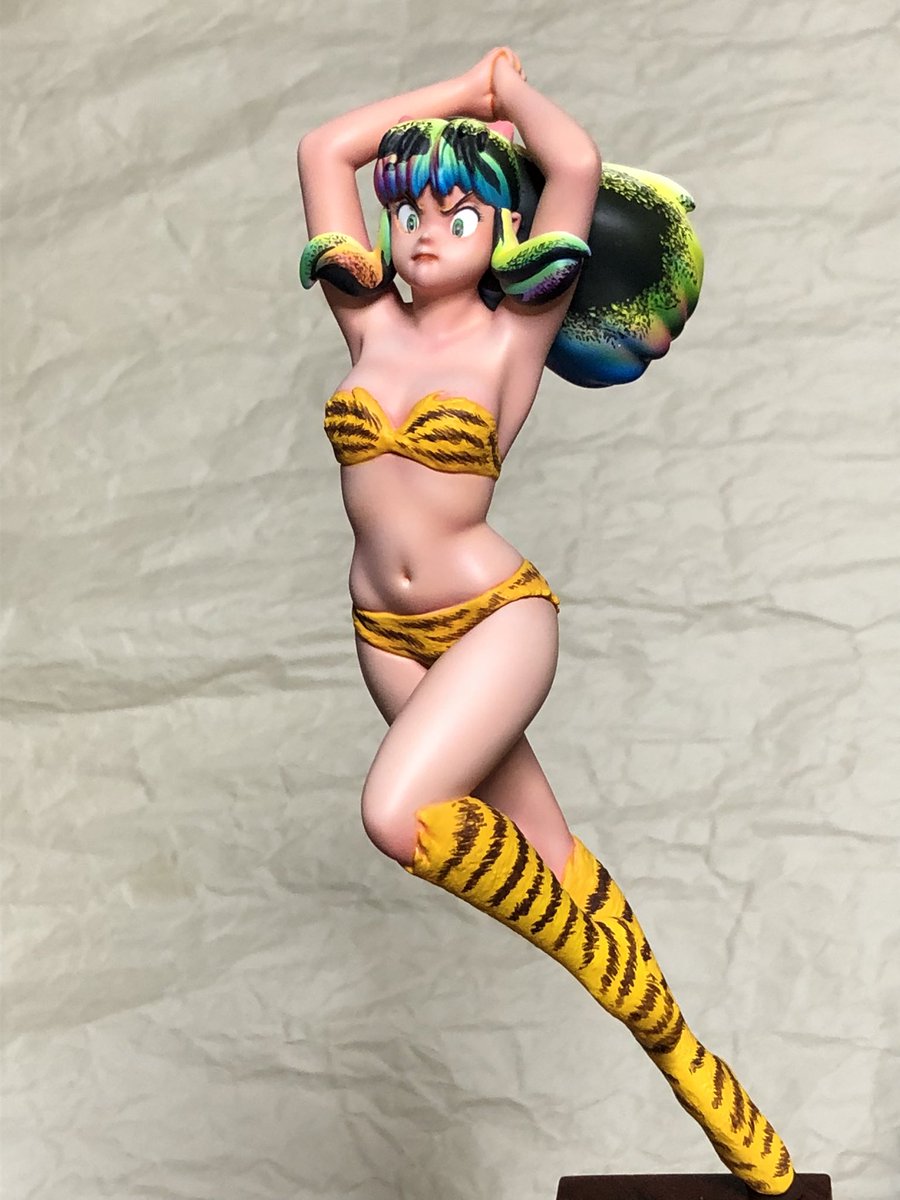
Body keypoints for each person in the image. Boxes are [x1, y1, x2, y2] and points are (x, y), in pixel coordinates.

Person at [298, 48, 798, 1198]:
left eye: (459, 213)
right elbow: (324, 148)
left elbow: (572, 162)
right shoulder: (367, 321)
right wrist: (453, 98)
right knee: (556, 861)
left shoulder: (513, 334)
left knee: (398, 814)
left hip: (491, 622)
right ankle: (702, 1079)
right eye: (410, 213)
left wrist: (502, 93)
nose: (426, 234)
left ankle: (606, 977)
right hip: (386, 634)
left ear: (505, 231)